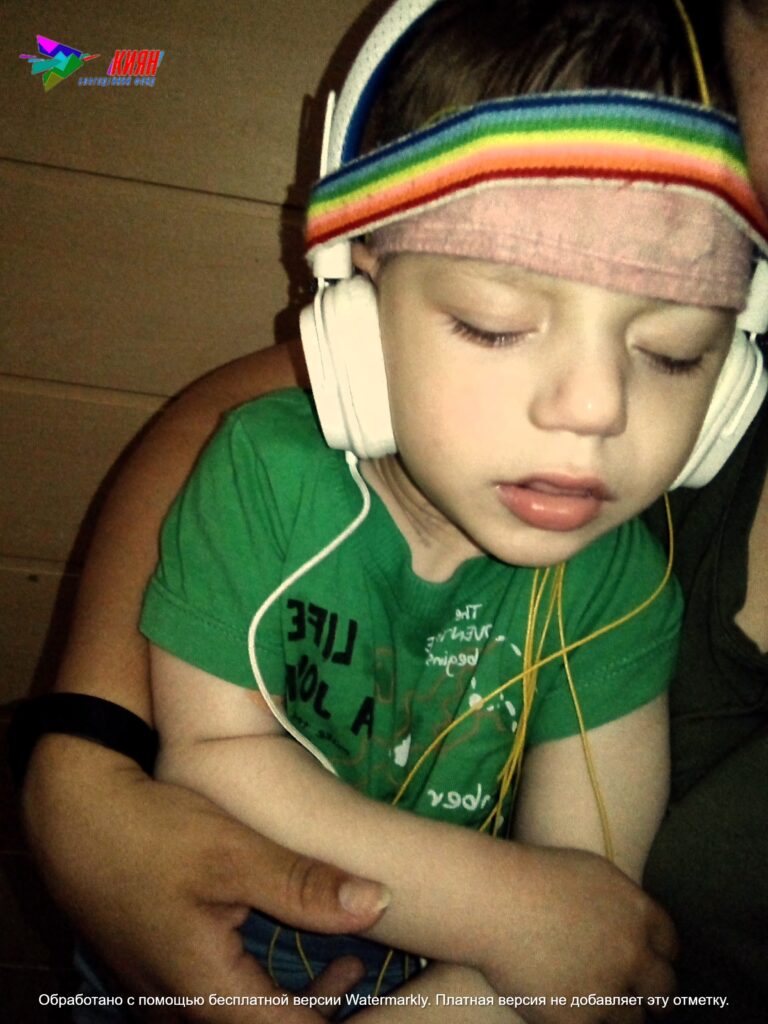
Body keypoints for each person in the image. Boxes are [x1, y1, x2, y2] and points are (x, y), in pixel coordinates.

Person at [14, 1, 767, 1022]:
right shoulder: (260, 475)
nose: (595, 409)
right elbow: (216, 756)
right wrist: (498, 908)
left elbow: (581, 922)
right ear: (357, 311)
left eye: (674, 354)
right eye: (494, 325)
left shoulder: (623, 592)